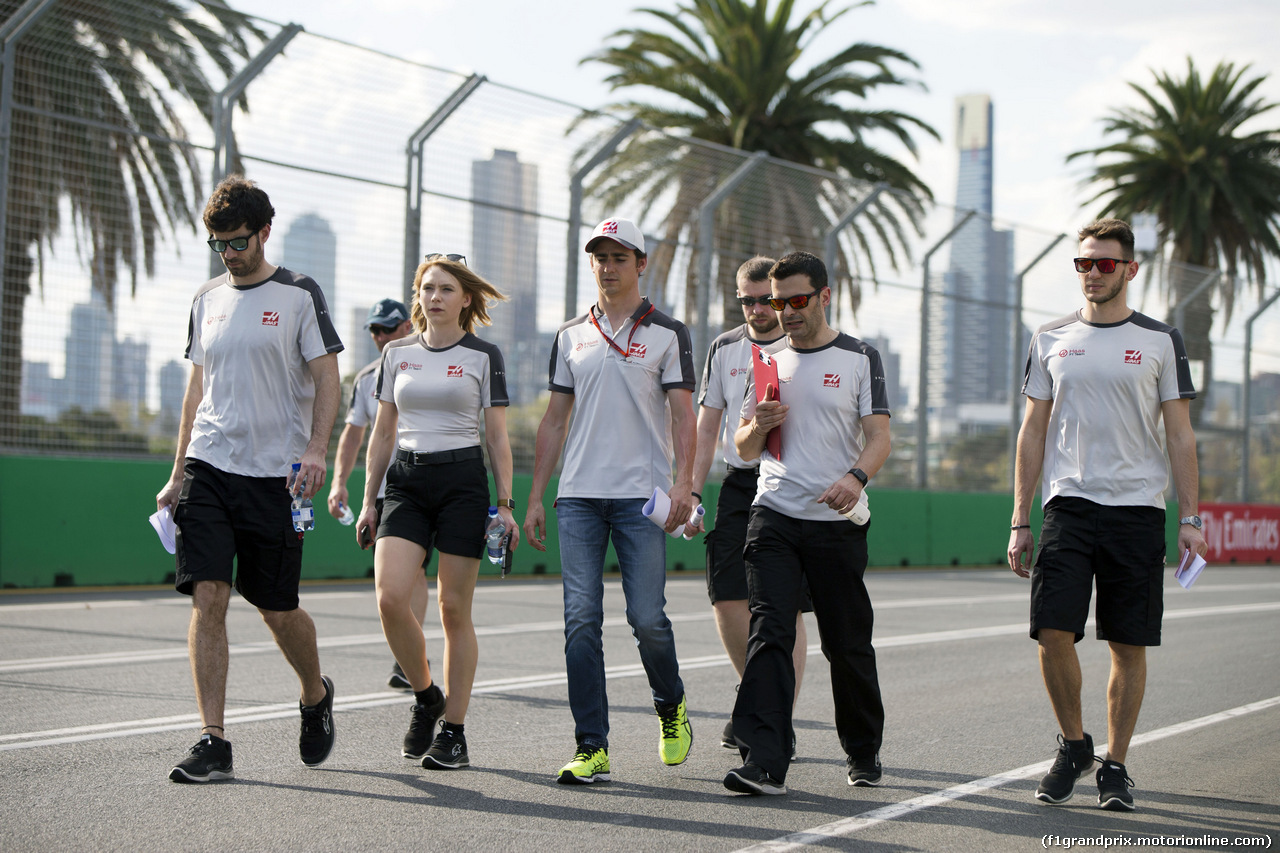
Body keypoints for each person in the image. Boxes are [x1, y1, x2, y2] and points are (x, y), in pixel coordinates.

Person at [1008, 218, 1207, 812]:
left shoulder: (1160, 340)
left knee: (1127, 643)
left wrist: (1190, 517)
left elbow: (1180, 434)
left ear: (1130, 269)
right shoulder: (1049, 338)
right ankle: (1074, 745)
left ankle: (1114, 766)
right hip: (1067, 506)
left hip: (1137, 511)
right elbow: (1032, 430)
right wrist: (1021, 517)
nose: (1092, 273)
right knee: (1051, 630)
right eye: (1083, 263)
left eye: (1104, 263)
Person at [157, 175, 343, 783]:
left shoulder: (298, 294)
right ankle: (213, 739)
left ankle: (315, 694)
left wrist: (317, 450)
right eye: (219, 245)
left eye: (238, 242)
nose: (229, 255)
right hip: (211, 465)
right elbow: (196, 390)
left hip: (276, 477)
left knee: (276, 607)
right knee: (208, 595)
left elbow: (327, 377)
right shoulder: (205, 298)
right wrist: (178, 471)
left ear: (264, 231)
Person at [524, 217, 697, 785]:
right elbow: (553, 421)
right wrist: (534, 497)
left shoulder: (669, 333)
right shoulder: (570, 334)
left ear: (641, 264)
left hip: (640, 499)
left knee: (647, 619)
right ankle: (591, 745)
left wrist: (684, 484)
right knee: (580, 621)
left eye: (620, 257)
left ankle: (670, 706)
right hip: (577, 498)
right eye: (599, 256)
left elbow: (682, 415)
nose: (608, 266)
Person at [723, 251, 892, 797]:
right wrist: (757, 426)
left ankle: (863, 749)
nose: (786, 312)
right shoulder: (767, 362)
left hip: (835, 521)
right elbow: (744, 447)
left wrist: (856, 478)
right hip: (772, 515)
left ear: (824, 295)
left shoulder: (861, 357)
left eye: (797, 300)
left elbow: (880, 437)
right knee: (769, 630)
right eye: (778, 302)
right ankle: (766, 760)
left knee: (845, 642)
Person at [356, 254, 518, 771]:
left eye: (447, 289)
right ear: (418, 296)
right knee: (389, 597)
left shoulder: (482, 356)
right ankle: (427, 695)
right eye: (428, 288)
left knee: (453, 611)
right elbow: (382, 433)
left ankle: (454, 730)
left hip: (462, 484)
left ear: (465, 299)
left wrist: (507, 506)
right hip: (404, 481)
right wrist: (368, 499)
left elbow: (496, 436)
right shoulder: (397, 354)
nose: (436, 297)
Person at [689, 256, 809, 756]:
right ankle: (756, 696)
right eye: (747, 301)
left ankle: (774, 716)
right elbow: (705, 425)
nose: (758, 309)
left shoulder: (804, 345)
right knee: (727, 597)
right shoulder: (724, 346)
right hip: (740, 480)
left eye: (767, 300)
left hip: (792, 482)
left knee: (784, 604)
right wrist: (691, 491)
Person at [325, 298, 424, 690]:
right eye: (375, 330)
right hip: (384, 490)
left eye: (389, 328)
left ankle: (409, 661)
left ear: (407, 325)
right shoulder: (366, 378)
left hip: (427, 485)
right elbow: (353, 436)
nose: (382, 336)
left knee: (417, 571)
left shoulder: (430, 362)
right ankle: (410, 654)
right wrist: (338, 483)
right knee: (391, 584)